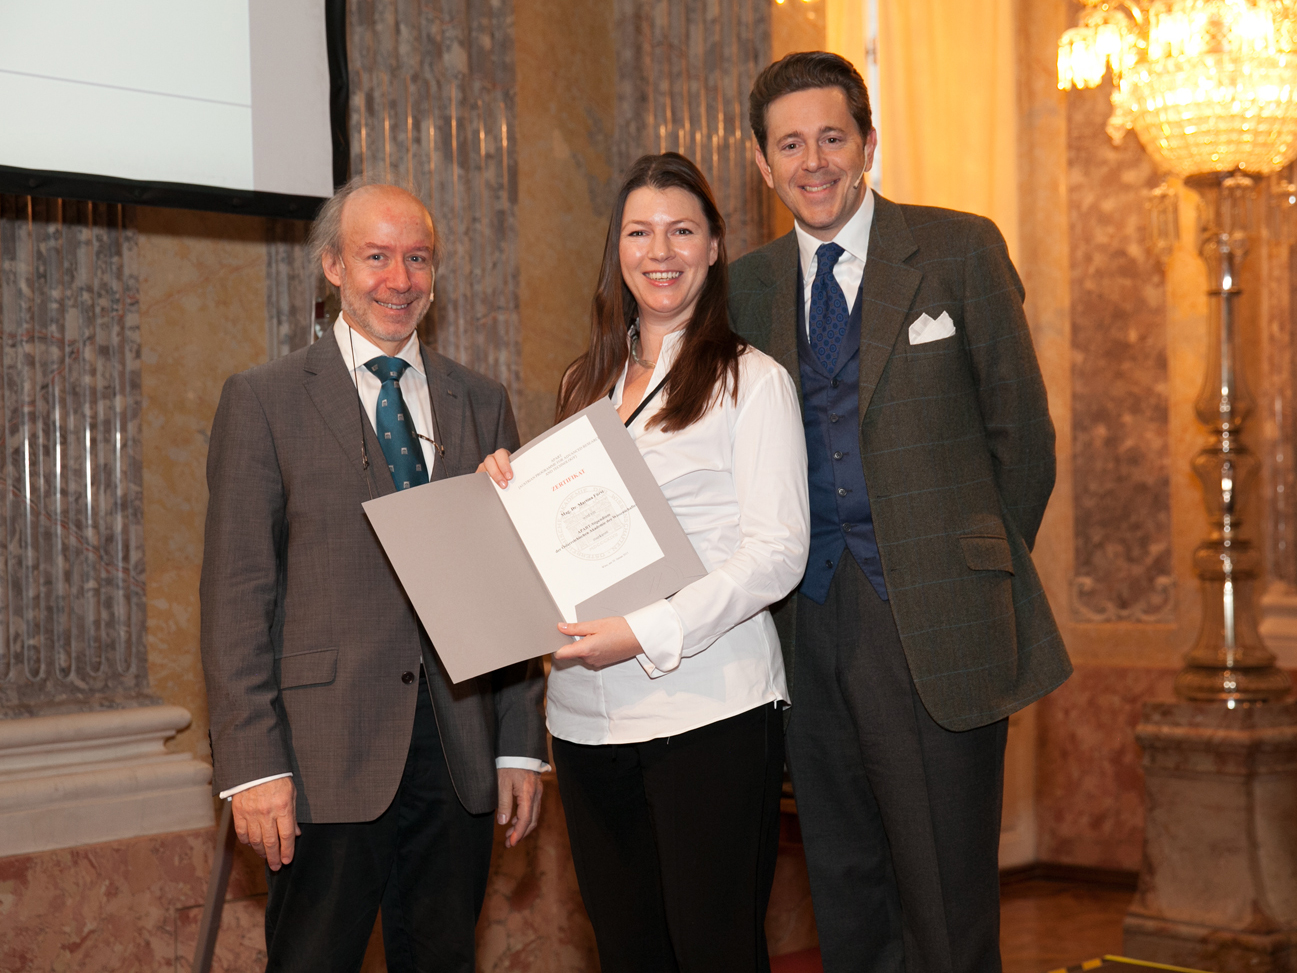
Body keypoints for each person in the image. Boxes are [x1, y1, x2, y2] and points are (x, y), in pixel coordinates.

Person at [729, 52, 1072, 973]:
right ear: (761, 163)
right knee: (846, 893)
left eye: (831, 137)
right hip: (802, 625)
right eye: (789, 144)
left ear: (867, 142)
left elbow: (1022, 438)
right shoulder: (744, 287)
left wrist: (965, 573)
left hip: (938, 625)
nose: (812, 162)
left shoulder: (957, 249)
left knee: (946, 905)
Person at [200, 180, 548, 973]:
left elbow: (511, 584)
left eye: (417, 258)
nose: (400, 279)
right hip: (320, 757)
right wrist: (252, 764)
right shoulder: (264, 400)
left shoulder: (480, 400)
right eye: (376, 257)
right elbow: (234, 598)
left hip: (458, 753)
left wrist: (520, 746)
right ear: (332, 265)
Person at [480, 152, 809, 973]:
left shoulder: (752, 380)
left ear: (714, 247)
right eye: (638, 232)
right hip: (585, 720)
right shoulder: (582, 382)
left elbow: (777, 553)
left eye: (681, 230)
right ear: (616, 250)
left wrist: (646, 629)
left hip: (710, 710)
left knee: (713, 952)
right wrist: (507, 491)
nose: (659, 251)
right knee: (628, 953)